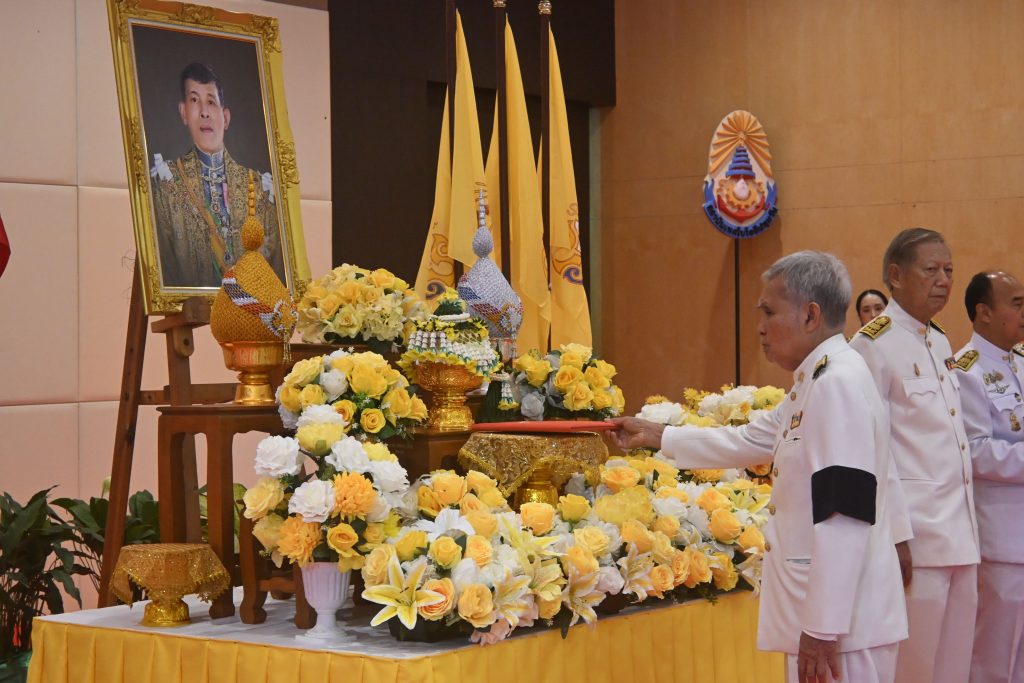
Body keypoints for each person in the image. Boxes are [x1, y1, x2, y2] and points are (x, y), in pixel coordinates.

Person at [611, 251, 907, 683]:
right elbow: (752, 438)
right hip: (833, 618)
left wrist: (822, 628)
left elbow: (845, 511)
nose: (760, 327)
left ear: (810, 315)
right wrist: (658, 436)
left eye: (769, 312)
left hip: (843, 628)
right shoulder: (817, 378)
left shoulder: (836, 383)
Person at [848, 228, 979, 683]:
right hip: (917, 538)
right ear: (895, 276)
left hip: (962, 533)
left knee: (954, 664)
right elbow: (872, 447)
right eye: (931, 270)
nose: (943, 280)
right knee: (915, 668)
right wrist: (897, 534)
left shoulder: (940, 340)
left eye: (949, 271)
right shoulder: (872, 344)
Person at [150, 62, 283, 288]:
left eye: (211, 101)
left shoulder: (260, 188)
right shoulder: (167, 185)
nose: (203, 111)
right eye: (194, 100)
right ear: (184, 113)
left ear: (226, 117)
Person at [954, 271, 1024, 683]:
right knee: (994, 657)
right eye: (1015, 303)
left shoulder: (1019, 359)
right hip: (1001, 539)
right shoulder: (966, 371)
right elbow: (974, 451)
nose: (1023, 311)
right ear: (983, 312)